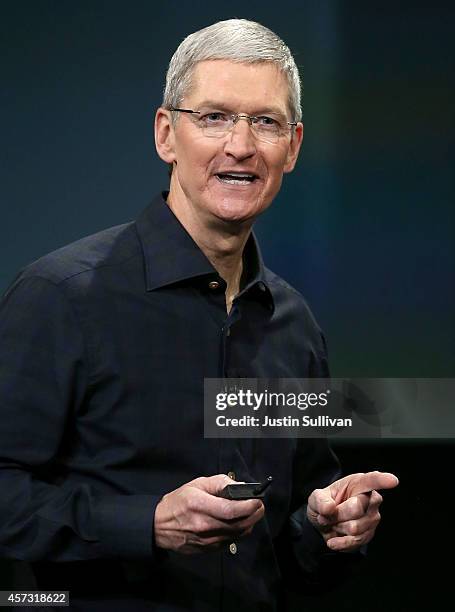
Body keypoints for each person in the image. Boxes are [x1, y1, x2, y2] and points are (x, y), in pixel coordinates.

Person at [0, 19, 398, 611]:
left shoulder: (295, 325)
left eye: (265, 122)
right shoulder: (61, 296)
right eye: (213, 117)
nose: (241, 144)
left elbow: (289, 549)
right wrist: (147, 525)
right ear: (166, 134)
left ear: (292, 147)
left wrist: (324, 529)